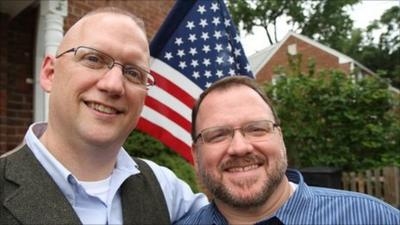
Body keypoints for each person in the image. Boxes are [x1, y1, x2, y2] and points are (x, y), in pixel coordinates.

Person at [0, 7, 207, 225]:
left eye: (133, 72)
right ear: (50, 73)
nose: (114, 85)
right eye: (93, 58)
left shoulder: (167, 191)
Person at [182, 76, 400, 225]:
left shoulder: (373, 218)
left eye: (257, 129)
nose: (240, 147)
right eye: (218, 135)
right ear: (195, 155)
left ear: (280, 138)